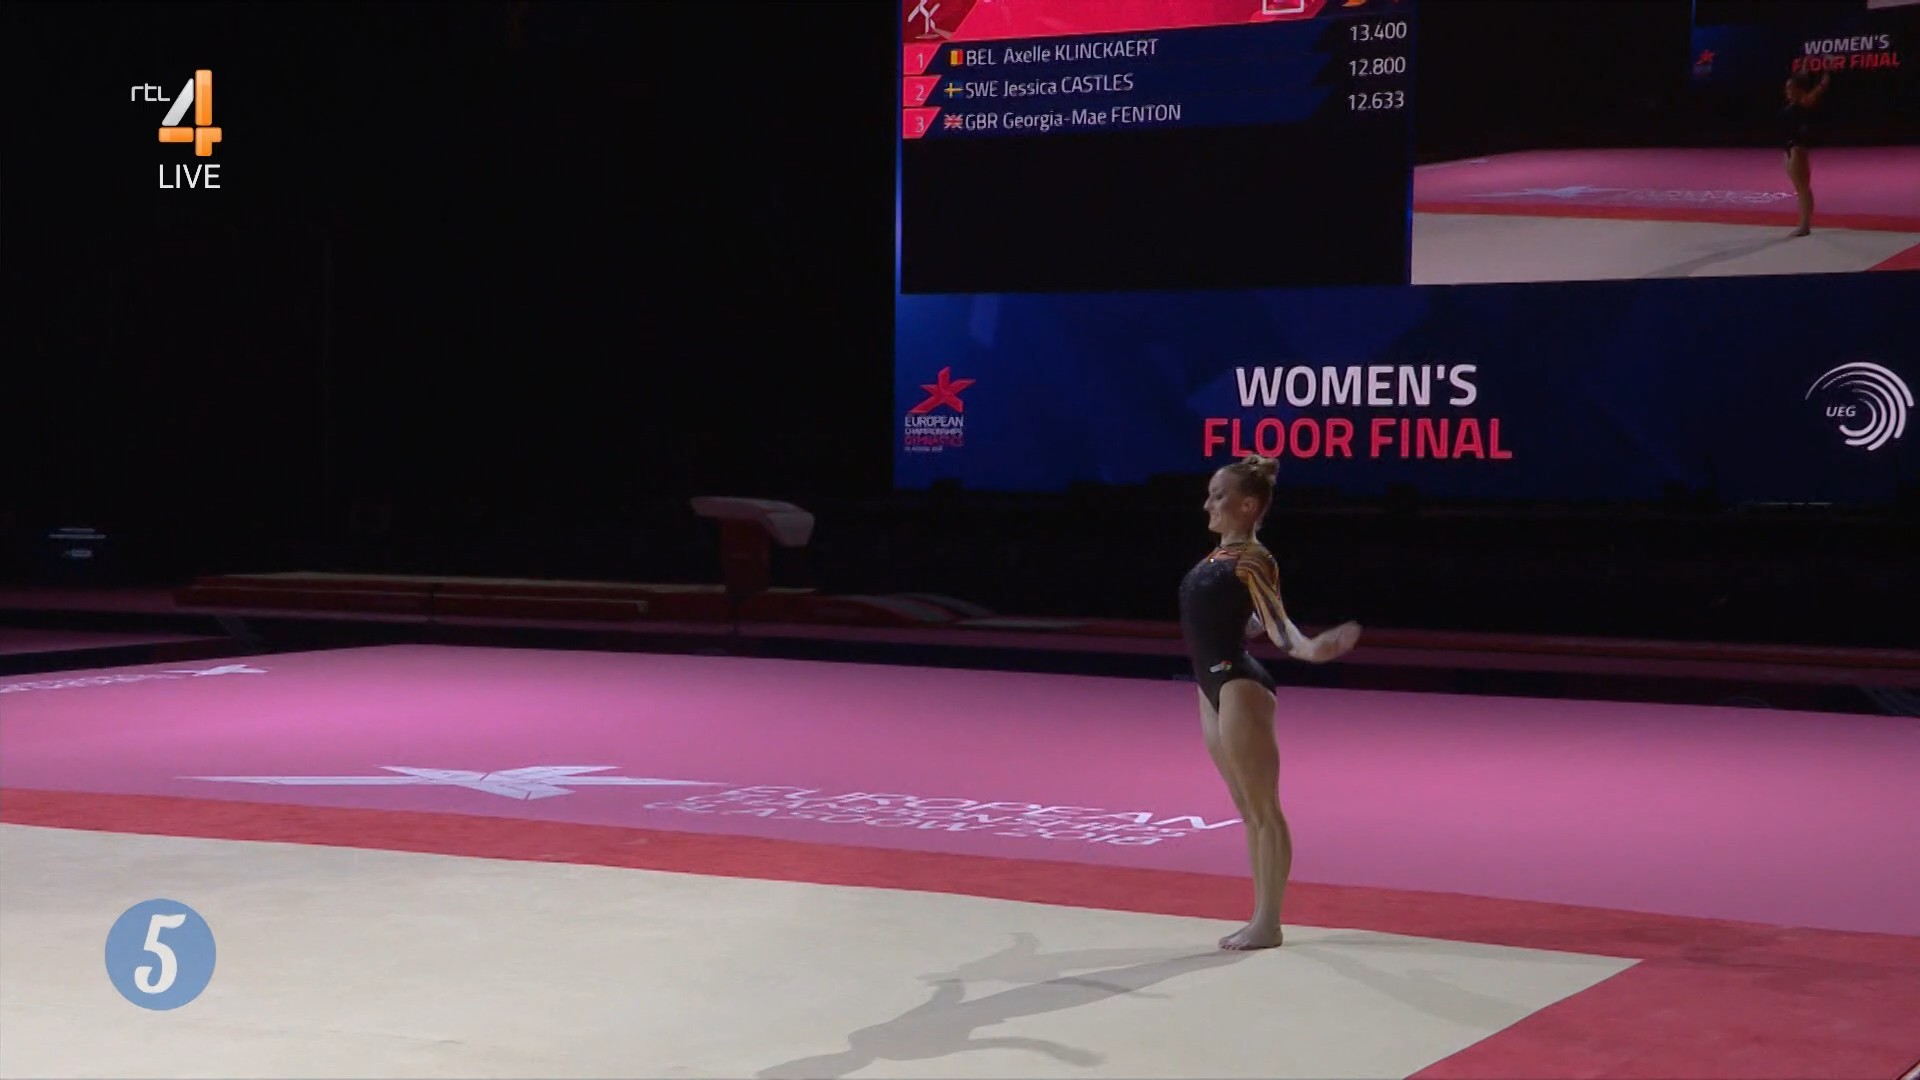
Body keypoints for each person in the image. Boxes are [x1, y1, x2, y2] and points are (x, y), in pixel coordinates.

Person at [1180, 454, 1360, 950]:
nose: (1208, 505)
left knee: (1263, 809)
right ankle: (1260, 915)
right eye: (1210, 495)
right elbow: (1250, 619)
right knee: (1247, 808)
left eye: (1218, 496)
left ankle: (1269, 922)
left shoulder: (1254, 558)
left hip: (1238, 683)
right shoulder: (1220, 558)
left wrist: (1314, 649)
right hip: (1210, 687)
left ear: (1248, 505)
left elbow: (1280, 629)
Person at [1782, 68, 1831, 237]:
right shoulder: (1792, 104)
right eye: (1786, 87)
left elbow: (1822, 86)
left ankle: (1805, 225)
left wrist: (1828, 70)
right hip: (1788, 148)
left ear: (1799, 89)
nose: (1787, 91)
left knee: (1803, 188)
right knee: (1798, 187)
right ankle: (1803, 222)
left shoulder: (1805, 102)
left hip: (1798, 148)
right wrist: (1805, 64)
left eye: (1790, 87)